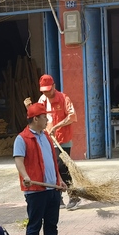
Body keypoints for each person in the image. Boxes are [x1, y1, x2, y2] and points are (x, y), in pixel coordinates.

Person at [13, 102, 75, 235]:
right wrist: (25, 176)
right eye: (44, 117)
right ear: (35, 119)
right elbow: (19, 160)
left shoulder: (46, 136)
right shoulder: (22, 139)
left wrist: (59, 179)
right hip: (35, 190)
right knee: (34, 224)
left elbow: (52, 162)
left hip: (52, 187)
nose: (47, 119)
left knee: (51, 223)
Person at [38, 74, 81, 210]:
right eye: (44, 90)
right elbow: (38, 117)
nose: (46, 93)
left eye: (48, 90)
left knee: (62, 166)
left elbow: (72, 116)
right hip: (47, 139)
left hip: (63, 139)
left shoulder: (64, 98)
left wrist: (56, 127)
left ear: (54, 86)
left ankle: (74, 196)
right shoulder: (42, 100)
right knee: (52, 167)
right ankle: (58, 198)